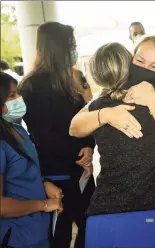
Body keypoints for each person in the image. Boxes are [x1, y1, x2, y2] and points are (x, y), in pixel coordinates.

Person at [70, 36, 155, 248]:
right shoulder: (112, 98)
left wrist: (153, 98)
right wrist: (106, 114)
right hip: (146, 198)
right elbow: (75, 125)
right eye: (140, 61)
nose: (145, 69)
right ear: (128, 61)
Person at [19, 22, 95, 248]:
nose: (74, 49)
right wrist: (77, 152)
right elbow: (43, 134)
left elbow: (85, 118)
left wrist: (89, 146)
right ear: (56, 47)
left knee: (91, 223)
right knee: (60, 232)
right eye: (71, 45)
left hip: (82, 169)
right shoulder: (33, 85)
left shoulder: (69, 80)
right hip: (57, 173)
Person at [0, 72, 63, 248]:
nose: (19, 99)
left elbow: (23, 172)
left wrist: (43, 184)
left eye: (18, 93)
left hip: (37, 231)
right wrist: (43, 205)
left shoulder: (18, 130)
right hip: (16, 236)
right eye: (12, 95)